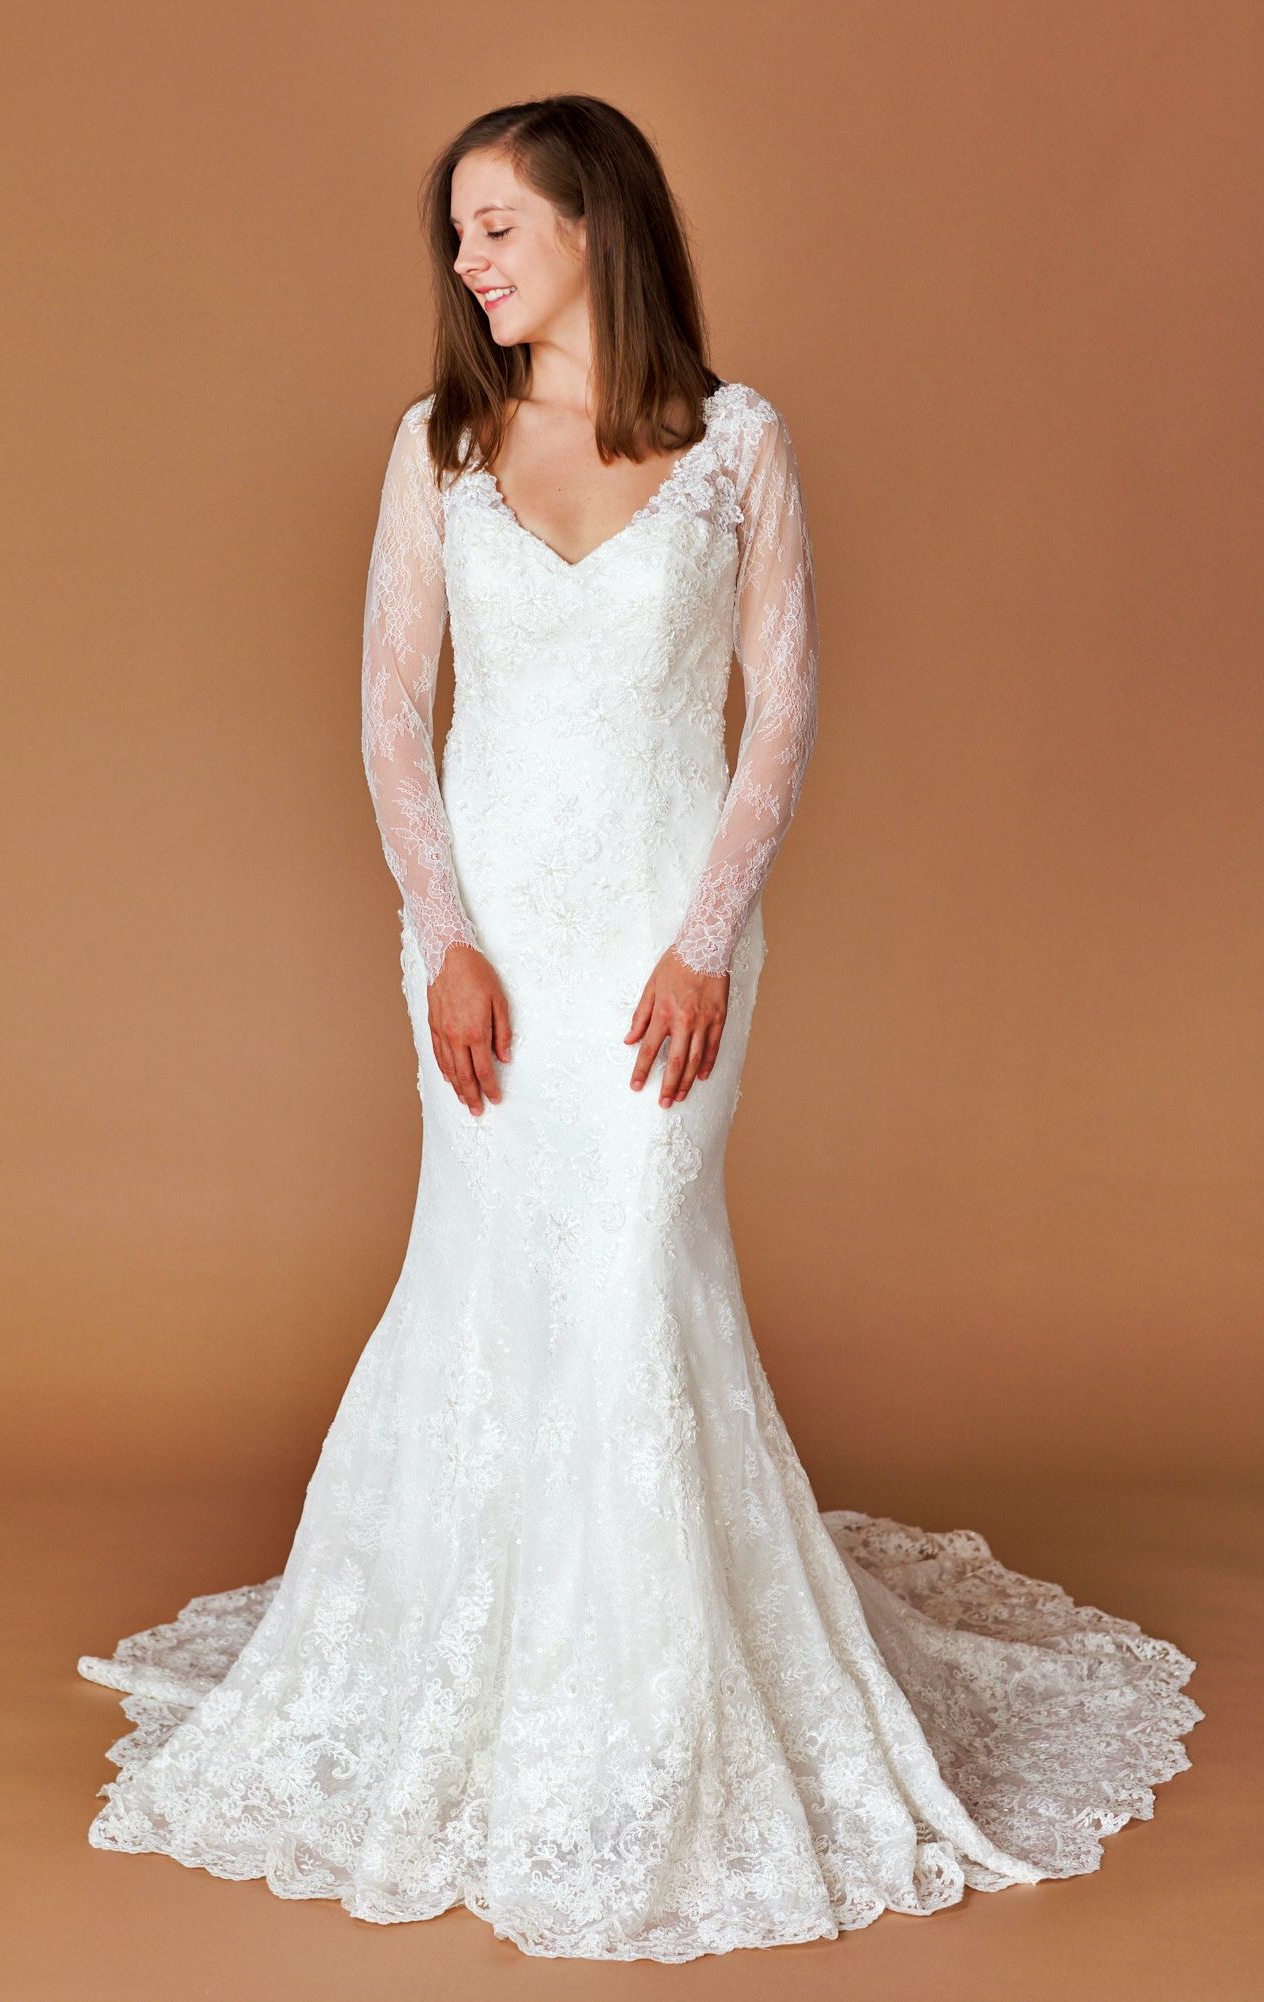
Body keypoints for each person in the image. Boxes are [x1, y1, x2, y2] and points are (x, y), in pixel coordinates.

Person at [77, 94, 1203, 1963]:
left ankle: (648, 1740)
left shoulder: (736, 443)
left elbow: (781, 711)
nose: (469, 262)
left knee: (631, 1277)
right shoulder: (435, 447)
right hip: (492, 946)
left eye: (499, 225)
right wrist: (441, 937)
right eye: (456, 235)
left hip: (670, 944)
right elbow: (387, 715)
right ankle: (475, 1689)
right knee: (494, 1281)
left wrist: (707, 939)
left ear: (600, 220)